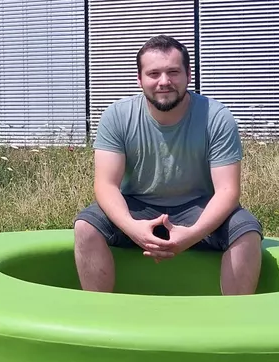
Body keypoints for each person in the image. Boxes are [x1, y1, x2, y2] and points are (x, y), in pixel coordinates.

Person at [72, 34, 264, 295]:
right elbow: (106, 185)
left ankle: (235, 327)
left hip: (199, 206)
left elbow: (228, 191)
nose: (164, 82)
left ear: (188, 75)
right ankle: (99, 320)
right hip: (136, 206)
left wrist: (192, 234)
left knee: (246, 232)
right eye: (154, 74)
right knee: (86, 226)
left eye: (173, 72)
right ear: (140, 79)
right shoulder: (117, 116)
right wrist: (133, 228)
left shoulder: (217, 118)